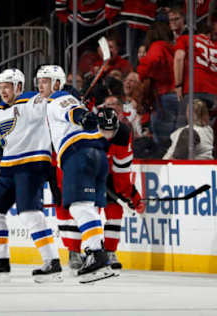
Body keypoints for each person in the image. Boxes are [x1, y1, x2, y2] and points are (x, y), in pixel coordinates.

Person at [0, 68, 63, 283]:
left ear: (19, 87)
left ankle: (52, 261)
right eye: (1, 86)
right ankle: (1, 262)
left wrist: (62, 95)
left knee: (29, 214)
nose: (3, 90)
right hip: (9, 168)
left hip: (31, 166)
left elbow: (47, 102)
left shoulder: (31, 101)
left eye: (8, 86)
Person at [46, 78, 115, 283]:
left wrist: (82, 115)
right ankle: (97, 252)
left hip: (79, 154)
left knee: (78, 207)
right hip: (96, 155)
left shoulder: (60, 98)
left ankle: (97, 253)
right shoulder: (74, 104)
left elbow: (74, 113)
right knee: (86, 207)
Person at [97, 107, 145, 272]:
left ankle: (110, 251)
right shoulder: (87, 134)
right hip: (88, 174)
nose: (108, 135)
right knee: (89, 212)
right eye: (104, 131)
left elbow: (122, 175)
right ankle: (93, 252)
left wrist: (130, 194)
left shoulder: (123, 136)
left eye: (112, 131)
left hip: (111, 173)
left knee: (115, 211)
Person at [137, 21, 180, 157]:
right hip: (177, 97)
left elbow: (150, 63)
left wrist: (141, 71)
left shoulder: (157, 46)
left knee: (163, 145)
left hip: (164, 97)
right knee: (175, 141)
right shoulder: (173, 49)